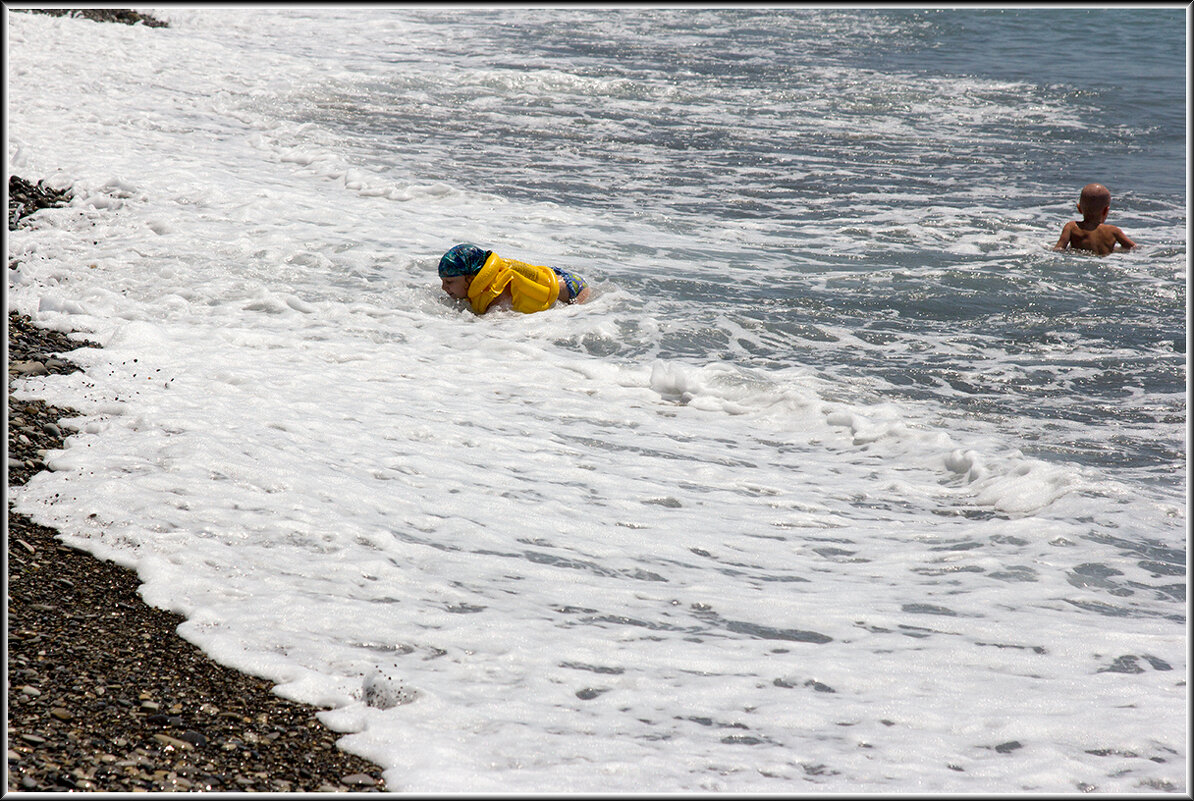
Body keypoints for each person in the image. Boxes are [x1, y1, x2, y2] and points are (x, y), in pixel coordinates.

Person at [437, 243, 591, 314]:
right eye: (443, 281)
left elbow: (501, 321)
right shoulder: (479, 286)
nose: (444, 288)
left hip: (573, 289)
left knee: (573, 314)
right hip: (553, 275)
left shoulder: (499, 292)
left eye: (449, 282)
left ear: (470, 279)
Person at [1052, 183, 1137, 256]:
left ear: (1079, 208)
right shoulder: (1114, 231)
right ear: (1106, 210)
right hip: (1108, 263)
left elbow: (1059, 249)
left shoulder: (1071, 227)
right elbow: (1133, 248)